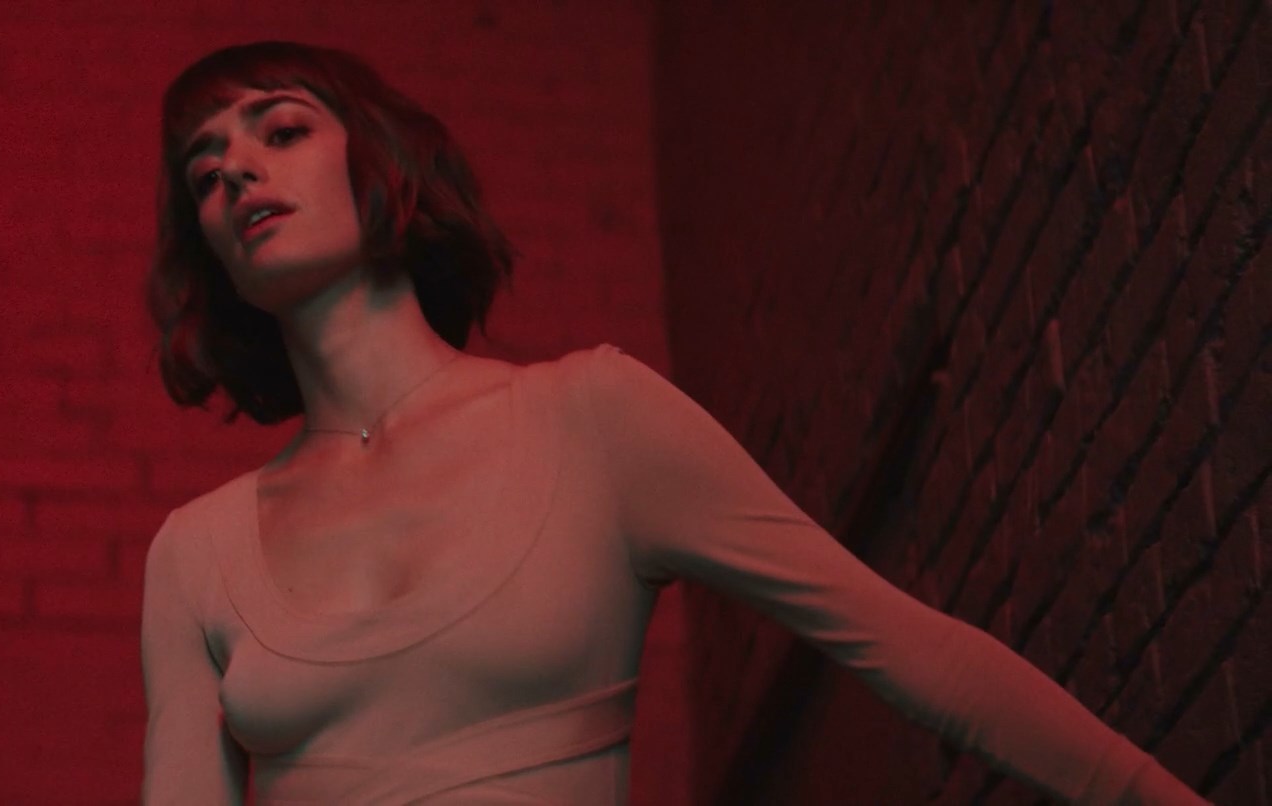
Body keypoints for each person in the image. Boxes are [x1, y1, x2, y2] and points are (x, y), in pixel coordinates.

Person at [137, 40, 1209, 805]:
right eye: (205, 173)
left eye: (281, 129)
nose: (236, 171)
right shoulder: (199, 552)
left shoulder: (591, 420)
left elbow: (912, 648)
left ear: (380, 160)